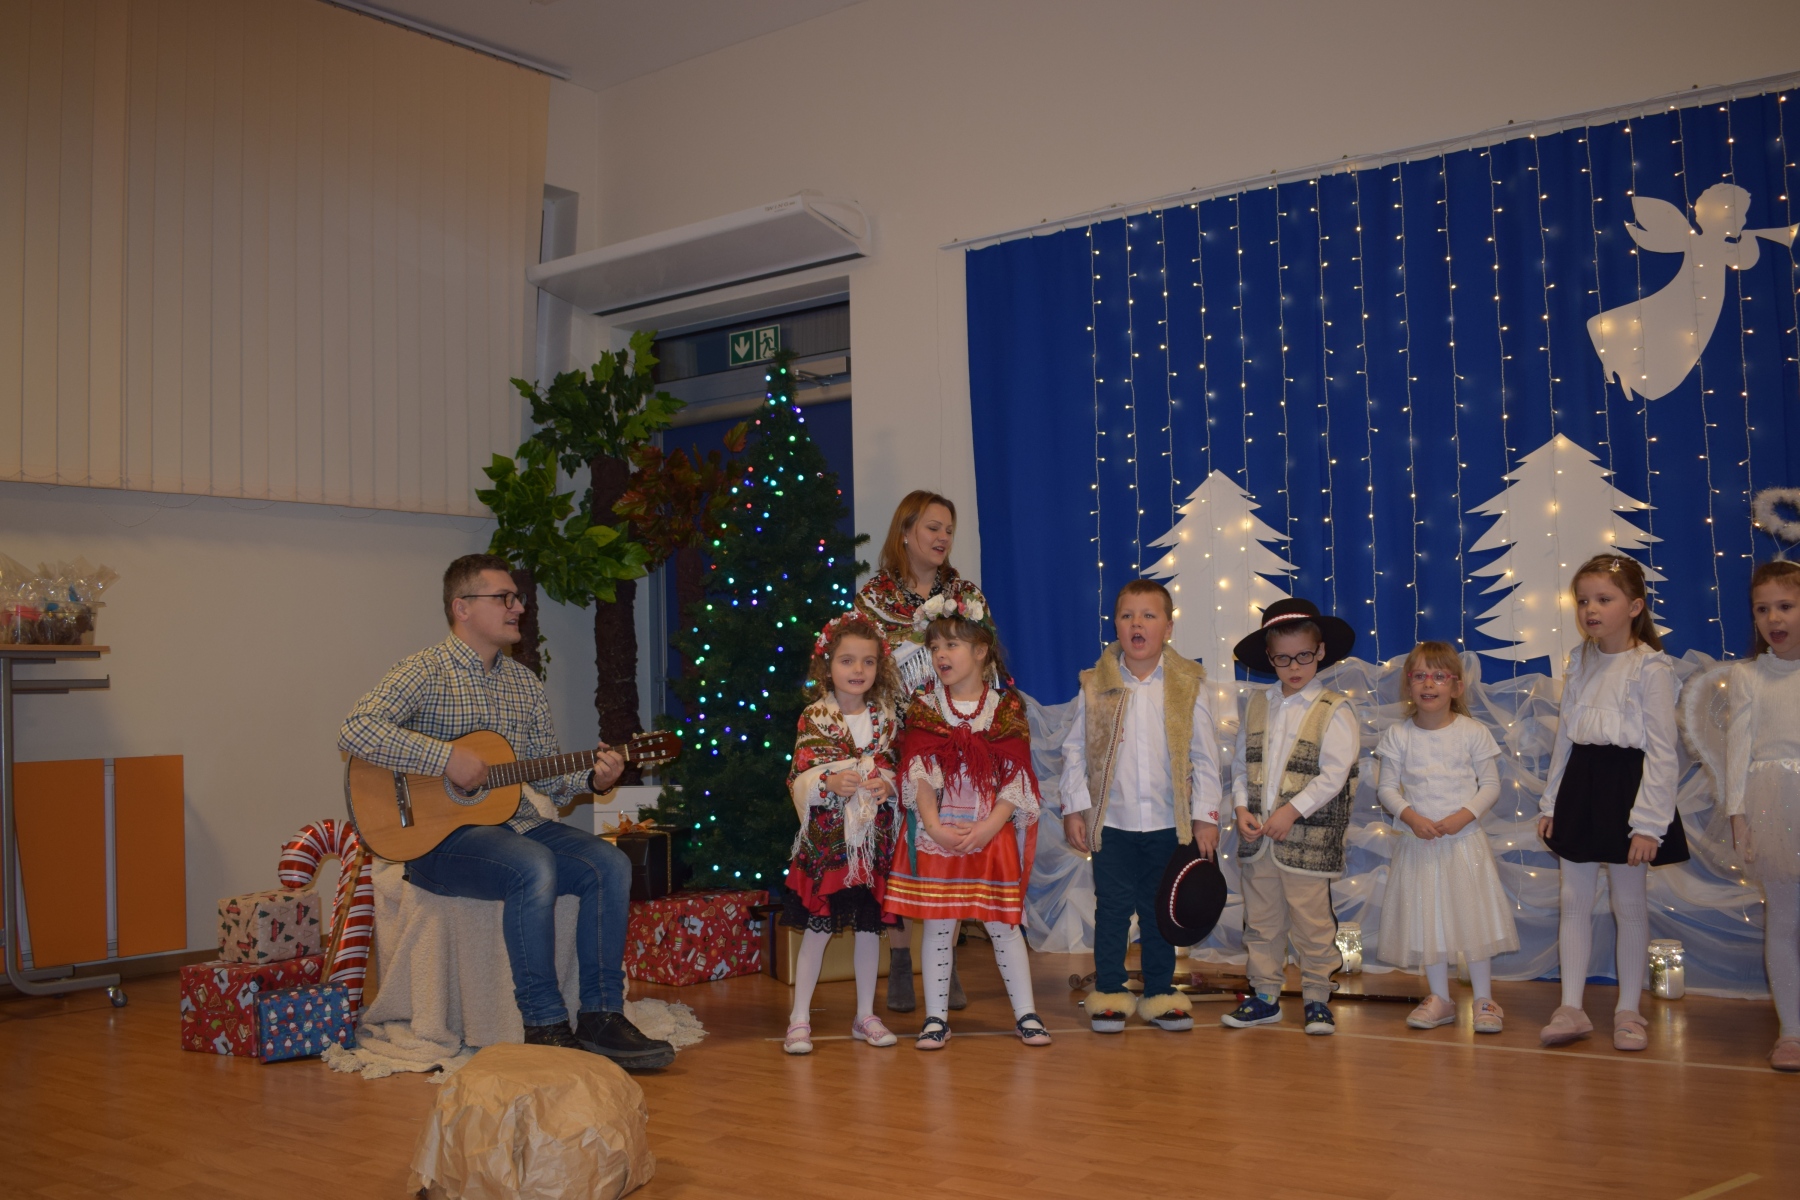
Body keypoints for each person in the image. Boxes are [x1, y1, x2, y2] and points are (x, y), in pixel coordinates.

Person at [339, 553, 674, 1069]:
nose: (518, 607)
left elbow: (548, 779)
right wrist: (444, 759)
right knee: (531, 865)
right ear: (462, 607)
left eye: (516, 598)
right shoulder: (424, 671)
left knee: (609, 863)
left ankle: (601, 1015)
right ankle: (544, 1024)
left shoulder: (524, 683)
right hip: (434, 842)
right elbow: (356, 728)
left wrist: (595, 777)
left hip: (513, 824)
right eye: (505, 598)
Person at [1537, 553, 1689, 1052]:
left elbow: (1663, 751)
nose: (1590, 610)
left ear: (1635, 606)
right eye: (1583, 601)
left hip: (1628, 788)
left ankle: (1628, 1009)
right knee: (1574, 901)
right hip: (1581, 785)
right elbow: (1566, 738)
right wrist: (1551, 802)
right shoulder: (1579, 660)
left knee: (1629, 902)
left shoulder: (1651, 666)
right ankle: (1571, 1007)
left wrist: (1648, 824)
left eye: (1604, 599)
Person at [884, 593, 1048, 1049]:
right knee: (939, 924)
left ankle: (1027, 1014)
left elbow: (1016, 775)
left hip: (989, 831)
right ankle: (935, 1018)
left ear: (980, 651)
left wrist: (989, 828)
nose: (941, 655)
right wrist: (934, 826)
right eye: (935, 646)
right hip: (940, 832)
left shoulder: (1006, 708)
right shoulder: (925, 707)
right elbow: (918, 771)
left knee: (1003, 924)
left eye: (952, 645)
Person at [1060, 579, 1222, 1034]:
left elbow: (1206, 757)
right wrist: (1074, 809)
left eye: (1149, 616)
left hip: (1168, 825)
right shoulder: (1096, 685)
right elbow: (1075, 751)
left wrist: (1205, 817)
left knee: (1159, 910)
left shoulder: (1188, 686)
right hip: (1112, 823)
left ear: (1167, 628)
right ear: (1116, 625)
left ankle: (1159, 993)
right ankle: (1110, 991)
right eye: (1128, 615)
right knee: (1111, 909)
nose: (1137, 624)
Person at [854, 489, 981, 1011]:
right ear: (905, 532)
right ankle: (903, 961)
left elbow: (985, 659)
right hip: (897, 740)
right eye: (932, 527)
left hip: (954, 739)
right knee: (900, 851)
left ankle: (945, 963)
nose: (942, 537)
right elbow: (861, 667)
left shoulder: (965, 594)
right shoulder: (874, 598)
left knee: (949, 845)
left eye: (948, 529)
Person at [1221, 598, 1360, 1036]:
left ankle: (1317, 996)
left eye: (1303, 656)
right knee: (1262, 923)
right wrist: (1241, 807)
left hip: (1307, 840)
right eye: (1283, 658)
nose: (1294, 667)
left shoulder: (1334, 708)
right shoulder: (1258, 704)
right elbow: (1242, 765)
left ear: (1321, 652)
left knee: (1312, 923)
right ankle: (1265, 996)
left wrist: (1290, 812)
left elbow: (1334, 774)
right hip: (1259, 839)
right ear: (1270, 658)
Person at [1375, 641, 1518, 1034]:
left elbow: (1490, 785)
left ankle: (1484, 997)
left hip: (1464, 845)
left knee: (1474, 920)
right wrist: (1411, 817)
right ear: (1408, 684)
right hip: (1419, 845)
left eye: (1439, 676)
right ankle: (1440, 997)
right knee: (1430, 919)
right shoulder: (1399, 735)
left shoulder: (1473, 732)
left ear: (1456, 686)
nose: (1429, 684)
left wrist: (1462, 817)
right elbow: (1387, 788)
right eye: (1420, 675)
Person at [781, 613, 905, 1055]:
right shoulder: (815, 717)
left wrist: (887, 784)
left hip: (871, 844)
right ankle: (799, 1017)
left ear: (879, 667)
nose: (858, 670)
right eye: (847, 660)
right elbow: (799, 774)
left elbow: (895, 767)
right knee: (818, 927)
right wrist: (828, 782)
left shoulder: (885, 718)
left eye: (868, 662)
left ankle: (865, 1014)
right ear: (827, 664)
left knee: (869, 930)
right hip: (829, 845)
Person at [1724, 560, 1800, 1070]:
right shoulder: (1748, 675)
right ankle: (1791, 1031)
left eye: (1786, 606)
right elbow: (1738, 747)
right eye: (1762, 609)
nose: (1774, 618)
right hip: (1773, 803)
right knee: (1784, 919)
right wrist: (1738, 813)